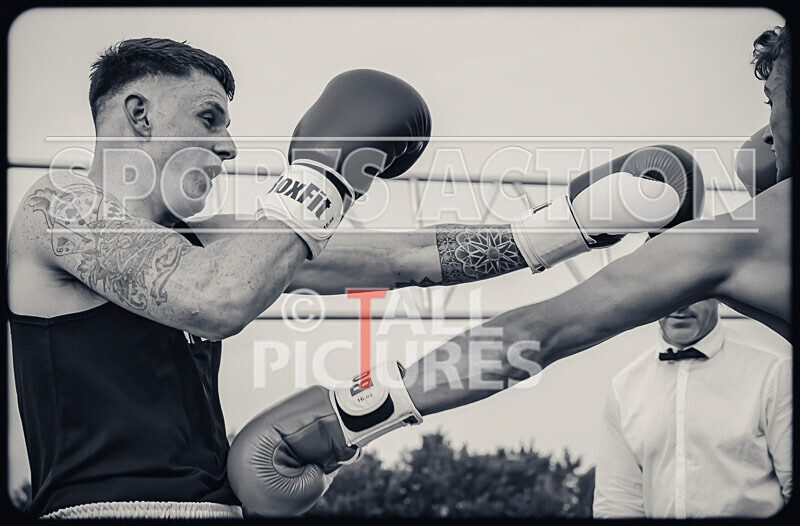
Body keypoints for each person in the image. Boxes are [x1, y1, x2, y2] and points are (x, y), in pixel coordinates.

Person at [6, 38, 686, 518]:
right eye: (209, 119)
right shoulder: (58, 209)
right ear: (140, 115)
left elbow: (407, 257)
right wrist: (321, 173)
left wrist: (573, 223)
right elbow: (213, 298)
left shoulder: (207, 240)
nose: (229, 146)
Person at [226, 24, 793, 517]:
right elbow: (404, 259)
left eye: (771, 100)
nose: (765, 134)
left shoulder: (744, 238)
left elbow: (535, 334)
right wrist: (565, 226)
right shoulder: (643, 375)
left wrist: (340, 420)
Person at [593, 299, 792, 518]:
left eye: (692, 292)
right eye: (669, 293)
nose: (679, 305)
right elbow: (617, 503)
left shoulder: (773, 372)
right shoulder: (624, 386)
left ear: (718, 296)